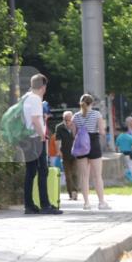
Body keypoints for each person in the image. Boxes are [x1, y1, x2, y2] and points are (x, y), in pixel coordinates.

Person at [21, 74, 62, 215]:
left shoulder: (25, 97)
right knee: (42, 171)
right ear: (43, 87)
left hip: (25, 138)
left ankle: (29, 205)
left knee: (31, 172)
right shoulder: (36, 99)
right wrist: (42, 136)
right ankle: (45, 205)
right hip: (35, 139)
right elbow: (35, 120)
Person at [72, 93, 110, 210]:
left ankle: (86, 203)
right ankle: (101, 202)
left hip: (81, 147)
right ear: (92, 103)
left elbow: (74, 134)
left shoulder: (76, 116)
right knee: (97, 176)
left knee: (84, 176)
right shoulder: (96, 114)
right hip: (93, 144)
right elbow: (102, 132)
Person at [54, 110, 78, 200]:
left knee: (75, 173)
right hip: (65, 153)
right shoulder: (59, 127)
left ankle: (75, 192)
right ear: (63, 119)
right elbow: (57, 140)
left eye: (69, 119)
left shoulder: (75, 126)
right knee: (68, 175)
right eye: (66, 120)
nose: (68, 122)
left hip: (75, 153)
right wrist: (58, 151)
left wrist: (73, 129)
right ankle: (71, 193)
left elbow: (78, 138)